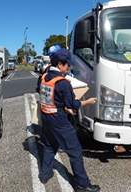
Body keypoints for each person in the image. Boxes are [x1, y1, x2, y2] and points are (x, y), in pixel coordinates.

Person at [38, 48, 100, 192]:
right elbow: (73, 104)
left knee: (49, 145)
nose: (68, 68)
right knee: (75, 151)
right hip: (59, 120)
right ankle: (82, 185)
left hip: (46, 116)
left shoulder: (44, 76)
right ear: (60, 64)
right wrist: (87, 102)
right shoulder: (63, 83)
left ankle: (44, 175)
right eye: (67, 65)